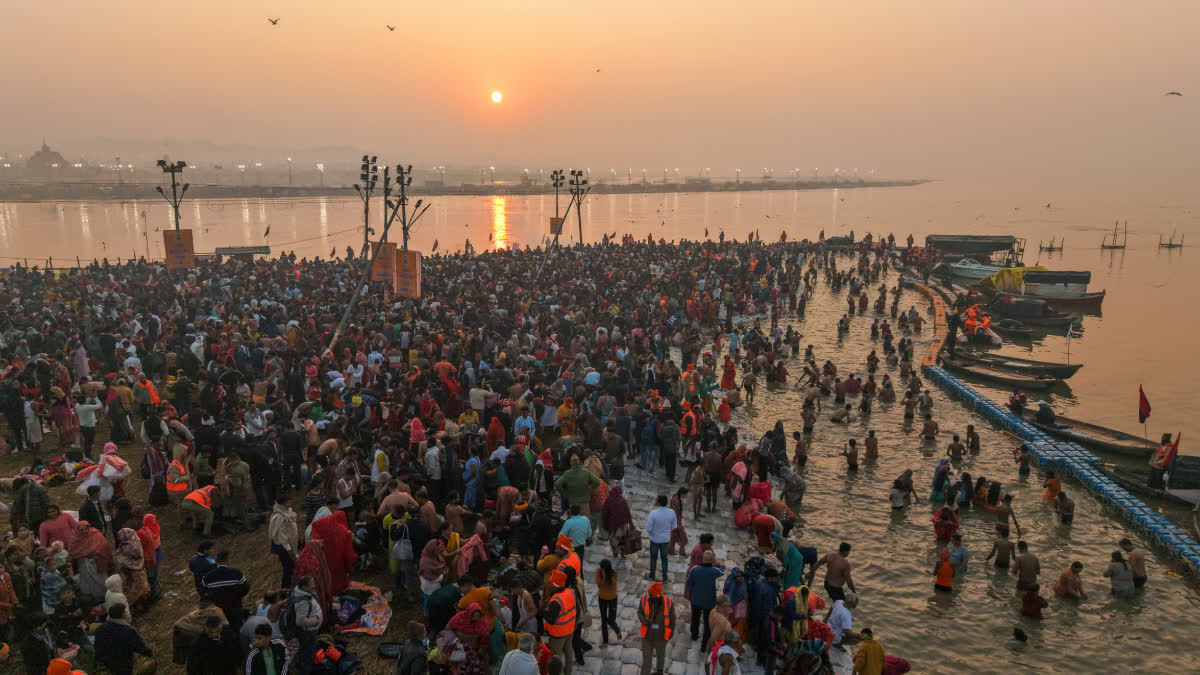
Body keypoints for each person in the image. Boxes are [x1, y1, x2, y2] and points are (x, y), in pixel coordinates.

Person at [94, 603, 152, 675]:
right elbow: (138, 646)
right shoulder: (127, 630)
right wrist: (148, 652)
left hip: (108, 662)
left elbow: (97, 647)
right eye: (125, 612)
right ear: (122, 615)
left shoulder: (99, 629)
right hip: (123, 662)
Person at [685, 549, 725, 652]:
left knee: (695, 618)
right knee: (708, 623)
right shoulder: (714, 571)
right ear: (712, 560)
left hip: (695, 600)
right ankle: (704, 645)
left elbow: (688, 583)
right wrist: (717, 563)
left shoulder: (694, 570)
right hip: (709, 602)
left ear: (702, 558)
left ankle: (694, 635)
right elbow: (722, 571)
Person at [637, 581, 675, 675]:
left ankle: (659, 672)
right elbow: (639, 612)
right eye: (649, 594)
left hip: (661, 638)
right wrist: (644, 621)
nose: (649, 596)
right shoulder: (644, 599)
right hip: (647, 636)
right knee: (646, 662)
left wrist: (669, 635)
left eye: (651, 595)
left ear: (658, 596)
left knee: (660, 657)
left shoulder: (668, 603)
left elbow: (672, 621)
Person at [544, 570, 577, 675]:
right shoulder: (570, 592)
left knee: (556, 659)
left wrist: (542, 611)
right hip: (569, 629)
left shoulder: (556, 601)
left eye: (551, 583)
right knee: (568, 652)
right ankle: (568, 672)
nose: (549, 584)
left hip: (558, 634)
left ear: (555, 585)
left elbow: (550, 619)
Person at [291, 575, 324, 675]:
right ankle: (306, 671)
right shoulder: (302, 601)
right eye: (312, 584)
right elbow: (300, 621)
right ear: (304, 586)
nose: (314, 585)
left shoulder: (305, 594)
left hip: (310, 630)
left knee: (308, 651)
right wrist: (315, 621)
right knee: (308, 653)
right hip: (308, 632)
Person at [644, 494, 677, 582]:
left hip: (654, 539)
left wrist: (653, 534)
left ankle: (652, 575)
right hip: (665, 540)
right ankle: (665, 576)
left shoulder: (653, 513)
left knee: (653, 557)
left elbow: (648, 528)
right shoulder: (672, 512)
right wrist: (666, 532)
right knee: (664, 558)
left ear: (658, 502)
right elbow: (674, 526)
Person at [269, 495, 299, 588]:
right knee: (288, 568)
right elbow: (282, 538)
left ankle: (293, 584)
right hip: (284, 548)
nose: (289, 504)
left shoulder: (287, 513)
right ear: (281, 504)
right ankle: (285, 588)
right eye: (287, 503)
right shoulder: (279, 518)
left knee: (291, 567)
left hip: (289, 545)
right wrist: (290, 551)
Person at [595, 559, 622, 645]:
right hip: (602, 598)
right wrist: (603, 577)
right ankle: (605, 641)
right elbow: (599, 585)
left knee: (611, 620)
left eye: (602, 568)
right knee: (604, 620)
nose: (601, 569)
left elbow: (612, 586)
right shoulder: (599, 572)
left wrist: (606, 576)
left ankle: (617, 631)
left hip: (612, 598)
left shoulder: (614, 574)